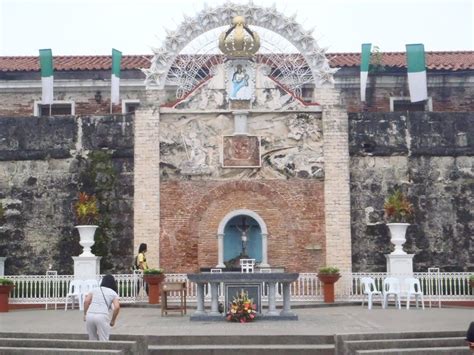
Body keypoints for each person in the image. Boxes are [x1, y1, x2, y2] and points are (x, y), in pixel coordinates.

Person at [83, 274, 120, 341]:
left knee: (92, 339)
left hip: (90, 315)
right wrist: (113, 320)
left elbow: (86, 301)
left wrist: (85, 314)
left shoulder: (94, 290)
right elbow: (117, 307)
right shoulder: (113, 293)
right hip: (102, 315)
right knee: (104, 339)